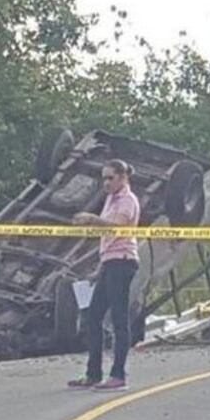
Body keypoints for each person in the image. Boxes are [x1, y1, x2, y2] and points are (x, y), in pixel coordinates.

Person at [68, 158, 141, 392]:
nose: (106, 183)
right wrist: (99, 268)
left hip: (123, 262)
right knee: (92, 317)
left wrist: (91, 219)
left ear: (122, 177)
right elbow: (108, 238)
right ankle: (93, 373)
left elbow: (114, 228)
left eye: (111, 178)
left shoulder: (128, 201)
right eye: (104, 178)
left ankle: (118, 374)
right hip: (110, 262)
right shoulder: (110, 199)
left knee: (119, 319)